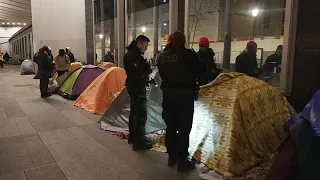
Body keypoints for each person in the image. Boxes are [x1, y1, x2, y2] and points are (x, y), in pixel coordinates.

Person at [157, 31, 206, 172]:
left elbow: (162, 73)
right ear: (183, 40)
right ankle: (182, 160)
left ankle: (171, 156)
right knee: (184, 128)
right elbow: (201, 69)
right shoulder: (188, 54)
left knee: (171, 126)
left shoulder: (162, 56)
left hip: (168, 95)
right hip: (185, 94)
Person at [124, 35, 153, 151]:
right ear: (139, 44)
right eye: (145, 46)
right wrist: (147, 70)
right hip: (137, 87)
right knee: (140, 114)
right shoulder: (133, 56)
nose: (146, 49)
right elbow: (137, 73)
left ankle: (133, 137)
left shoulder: (132, 55)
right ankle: (139, 141)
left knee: (134, 113)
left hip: (134, 87)